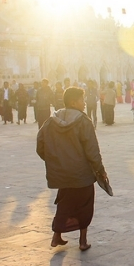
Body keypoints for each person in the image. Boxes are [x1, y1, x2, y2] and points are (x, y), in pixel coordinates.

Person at [37, 87, 108, 251]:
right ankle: (82, 241)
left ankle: (57, 237)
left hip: (62, 174)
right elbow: (92, 151)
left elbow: (40, 145)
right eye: (81, 100)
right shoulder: (83, 121)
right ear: (73, 102)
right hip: (82, 174)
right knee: (85, 205)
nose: (84, 104)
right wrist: (100, 170)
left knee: (64, 204)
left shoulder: (51, 121)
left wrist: (55, 161)